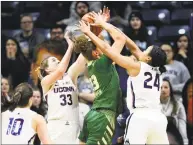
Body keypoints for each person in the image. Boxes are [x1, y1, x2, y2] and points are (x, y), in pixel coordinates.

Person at [79, 11, 169, 144]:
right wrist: (104, 23)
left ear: (148, 58)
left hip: (140, 117)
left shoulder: (136, 66)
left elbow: (108, 50)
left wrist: (89, 32)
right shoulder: (157, 71)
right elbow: (129, 43)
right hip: (159, 118)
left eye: (145, 50)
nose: (142, 50)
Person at [74, 7, 124, 144]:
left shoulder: (91, 64)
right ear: (97, 53)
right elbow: (120, 39)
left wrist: (95, 31)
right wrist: (102, 24)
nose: (105, 45)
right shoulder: (103, 63)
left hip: (93, 114)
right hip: (103, 116)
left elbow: (94, 45)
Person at [36, 31, 86, 144]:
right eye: (54, 61)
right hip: (56, 126)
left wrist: (91, 35)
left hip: (74, 125)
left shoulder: (70, 76)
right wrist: (70, 46)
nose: (58, 62)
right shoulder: (46, 82)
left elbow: (81, 61)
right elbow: (60, 70)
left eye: (59, 61)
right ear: (47, 69)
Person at [160, 79, 188, 144]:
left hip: (174, 140)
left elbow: (182, 128)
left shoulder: (178, 105)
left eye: (166, 87)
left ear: (170, 90)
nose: (163, 90)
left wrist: (185, 143)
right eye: (161, 87)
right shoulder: (153, 106)